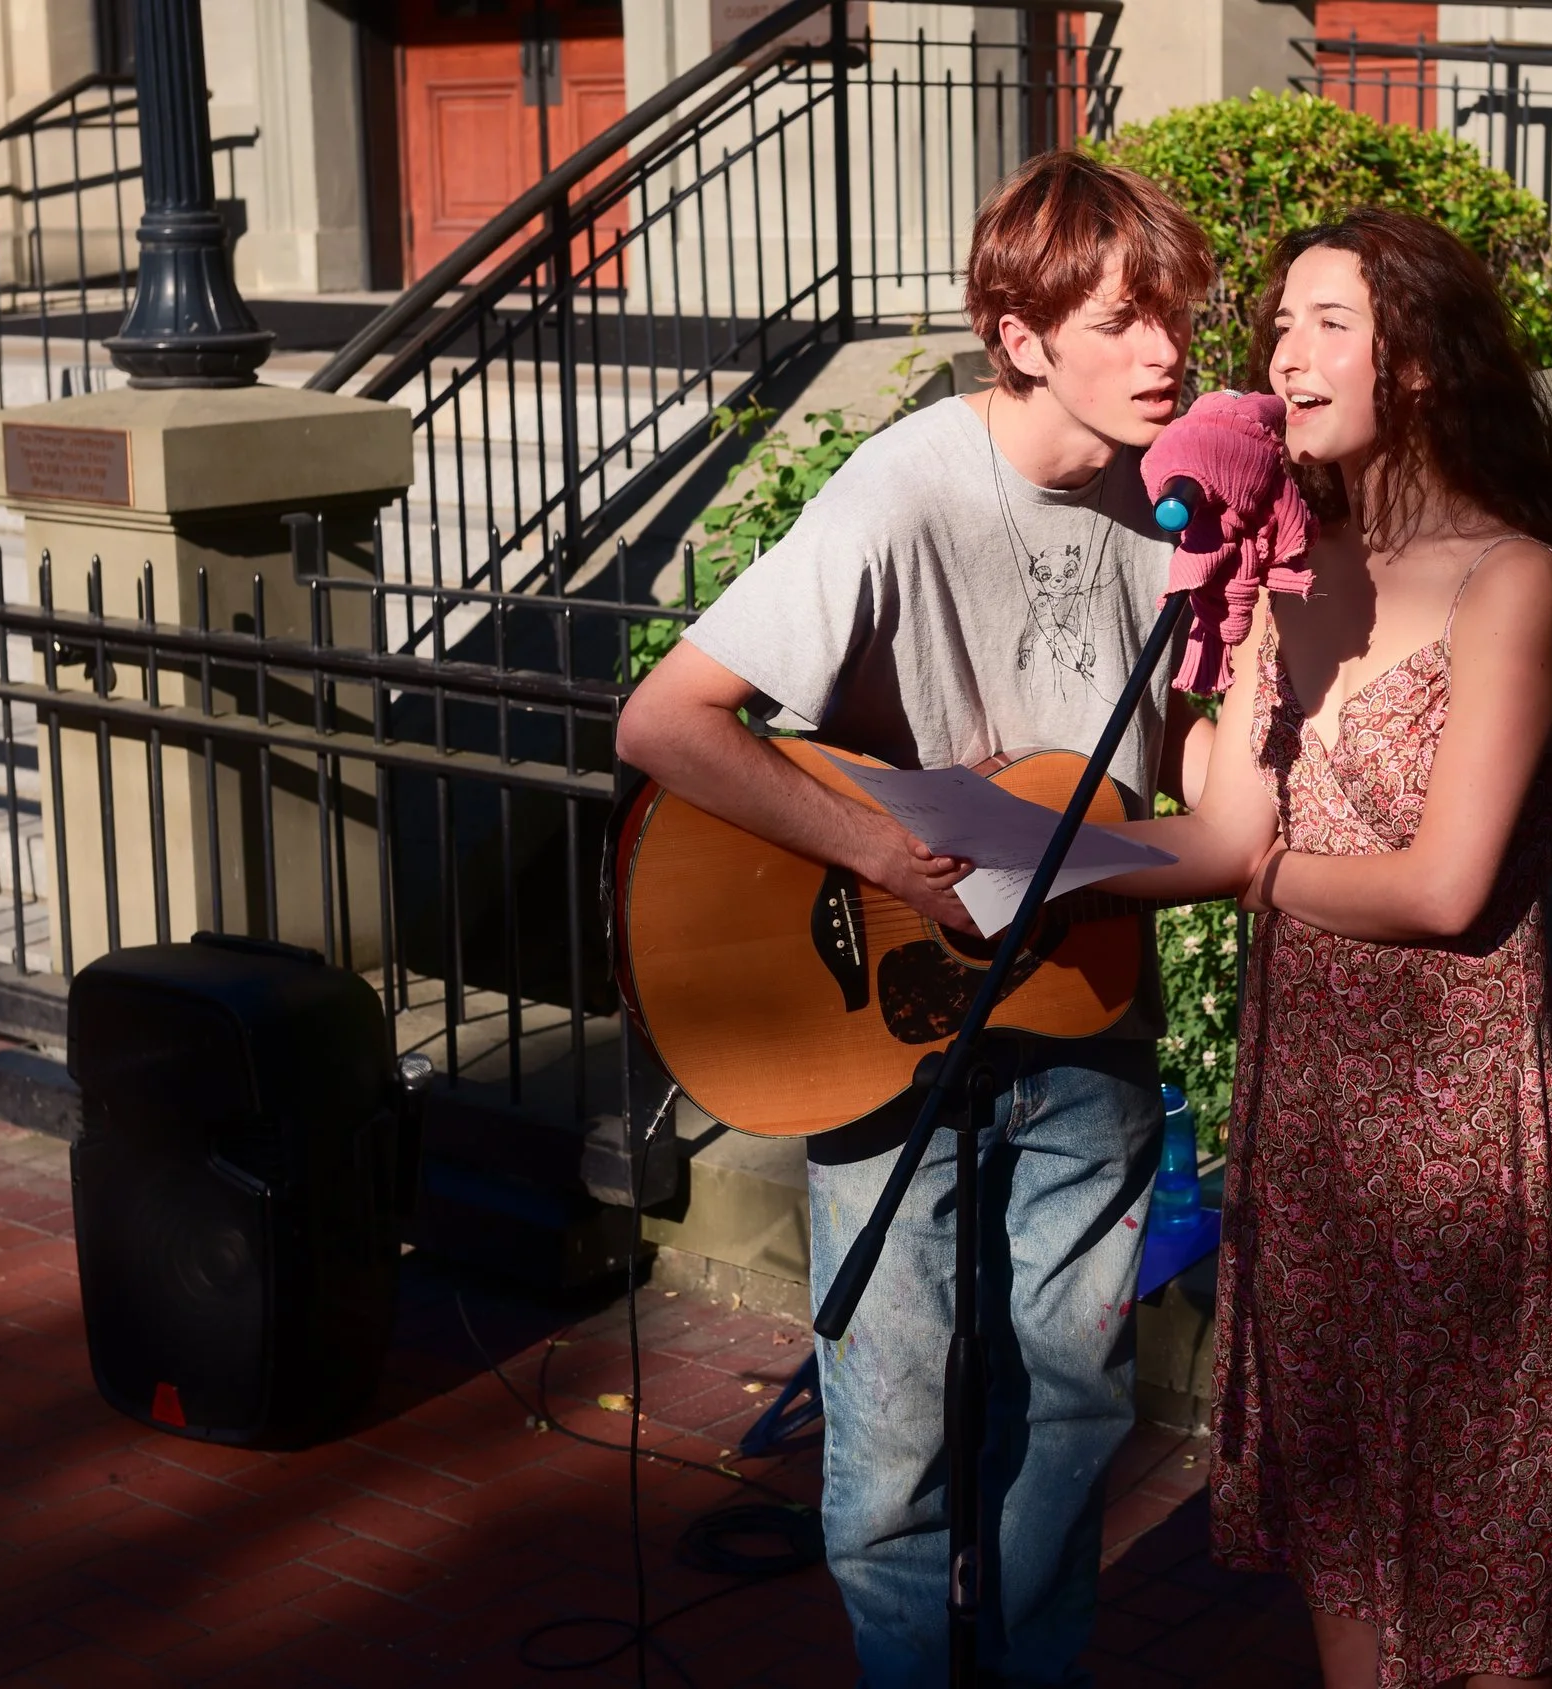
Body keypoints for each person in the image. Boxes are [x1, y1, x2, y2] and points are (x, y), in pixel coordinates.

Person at [613, 151, 1215, 1685]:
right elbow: (669, 723)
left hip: (1083, 1004)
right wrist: (876, 854)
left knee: (1073, 1406)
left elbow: (1192, 792)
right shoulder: (908, 485)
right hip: (889, 1020)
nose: (1168, 353)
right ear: (1023, 336)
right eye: (1127, 321)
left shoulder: (1184, 511)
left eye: (1179, 318)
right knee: (890, 1433)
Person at [1109, 207, 1552, 1688]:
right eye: (1279, 325)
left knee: (1472, 1533)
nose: (1285, 354)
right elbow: (1220, 822)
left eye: (1330, 321)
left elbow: (1446, 887)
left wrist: (1262, 873)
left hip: (1450, 1107)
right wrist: (1206, 633)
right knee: (1334, 1507)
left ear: (1425, 361)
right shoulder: (1287, 560)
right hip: (1310, 1094)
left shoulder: (1510, 578)